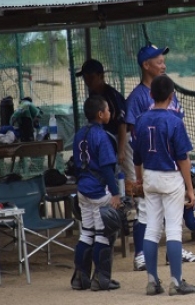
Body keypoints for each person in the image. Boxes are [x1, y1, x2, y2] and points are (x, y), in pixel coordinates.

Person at [125, 44, 195, 271]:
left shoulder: (168, 91)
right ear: (146, 65)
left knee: (166, 212)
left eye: (163, 61)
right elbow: (134, 136)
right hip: (151, 163)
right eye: (158, 62)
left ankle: (171, 253)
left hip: (165, 164)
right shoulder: (137, 97)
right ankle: (141, 255)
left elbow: (177, 127)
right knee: (145, 210)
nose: (163, 65)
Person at [71, 95, 122, 291]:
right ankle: (101, 278)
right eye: (107, 110)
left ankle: (80, 278)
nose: (110, 112)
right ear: (100, 114)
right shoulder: (102, 136)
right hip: (99, 191)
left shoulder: (79, 134)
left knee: (86, 233)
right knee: (103, 235)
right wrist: (115, 193)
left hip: (83, 190)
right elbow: (107, 168)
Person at [75, 59, 128, 165]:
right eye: (85, 78)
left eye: (91, 77)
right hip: (103, 138)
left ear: (101, 76)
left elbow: (122, 124)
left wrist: (121, 150)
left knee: (125, 171)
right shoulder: (93, 95)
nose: (87, 81)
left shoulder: (112, 95)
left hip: (119, 137)